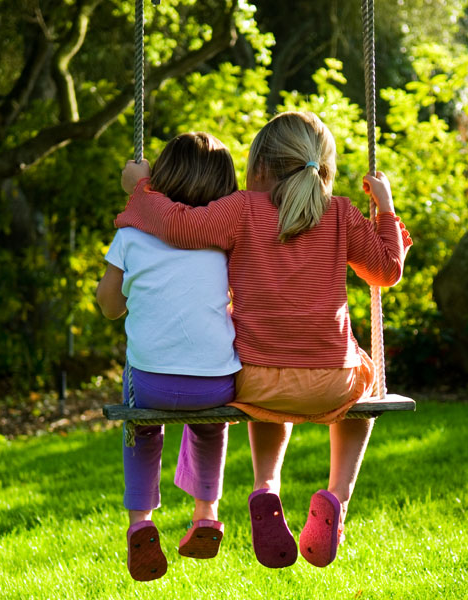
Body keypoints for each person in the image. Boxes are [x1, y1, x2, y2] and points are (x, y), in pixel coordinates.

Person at [116, 111, 413, 569]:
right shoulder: (342, 214)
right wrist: (387, 210)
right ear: (323, 168)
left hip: (255, 382)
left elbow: (178, 226)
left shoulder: (241, 210)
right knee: (366, 386)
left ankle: (265, 486)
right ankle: (338, 497)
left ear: (257, 169)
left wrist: (141, 190)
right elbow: (387, 271)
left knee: (267, 380)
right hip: (331, 383)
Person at [96, 132, 242, 581]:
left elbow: (108, 305)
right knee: (209, 426)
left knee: (142, 428)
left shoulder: (132, 234)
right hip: (217, 383)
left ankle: (140, 524)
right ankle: (205, 514)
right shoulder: (223, 238)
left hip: (153, 382)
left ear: (162, 176)